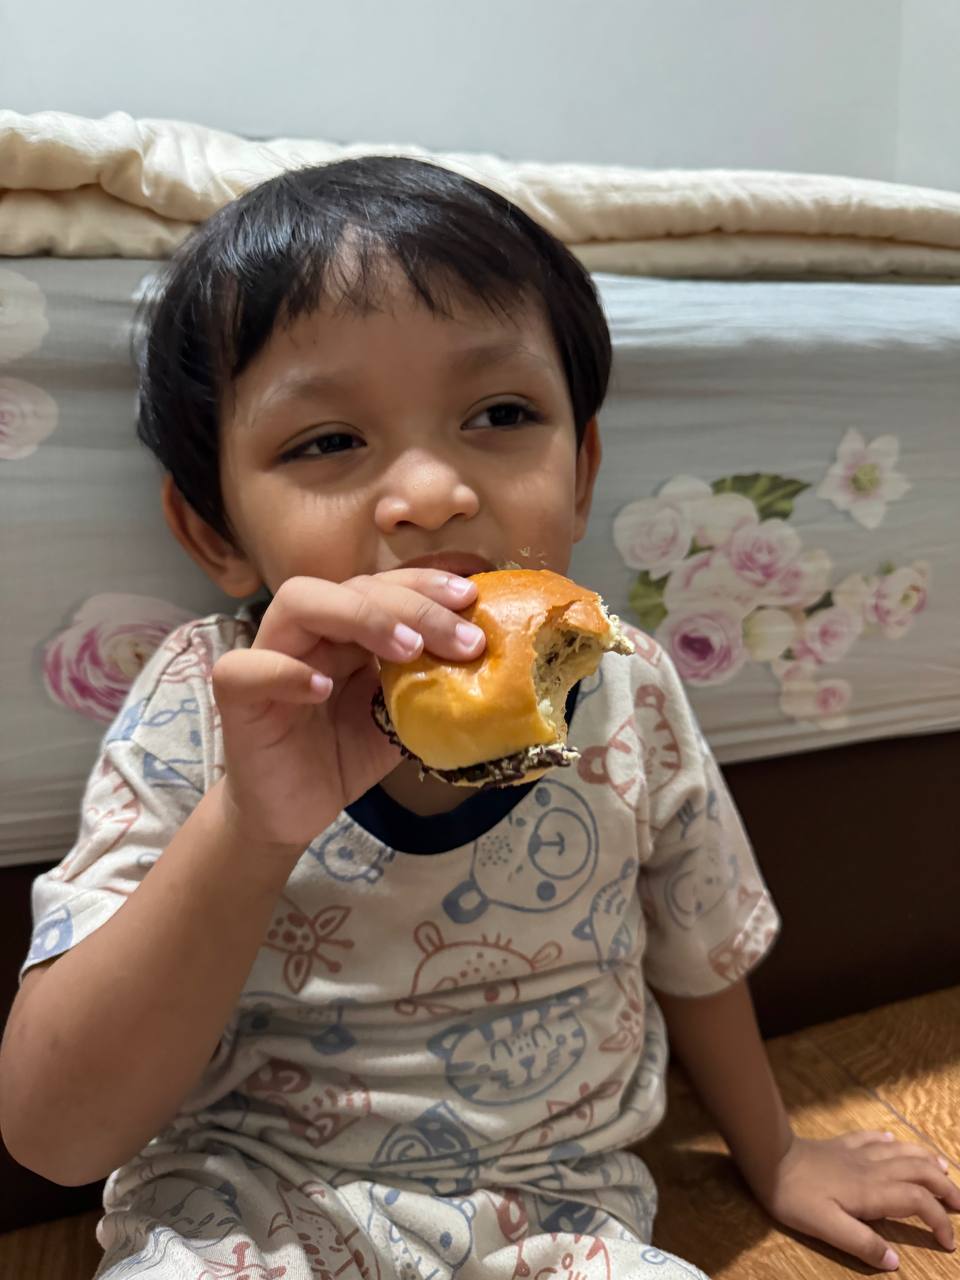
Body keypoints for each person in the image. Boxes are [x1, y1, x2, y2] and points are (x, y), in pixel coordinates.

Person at [1, 158, 956, 1280]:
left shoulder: (626, 682)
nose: (435, 491)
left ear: (583, 466)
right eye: (327, 441)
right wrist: (249, 827)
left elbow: (697, 942)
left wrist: (780, 1150)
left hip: (563, 1209)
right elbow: (53, 1135)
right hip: (248, 1203)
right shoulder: (203, 701)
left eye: (501, 414)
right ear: (213, 530)